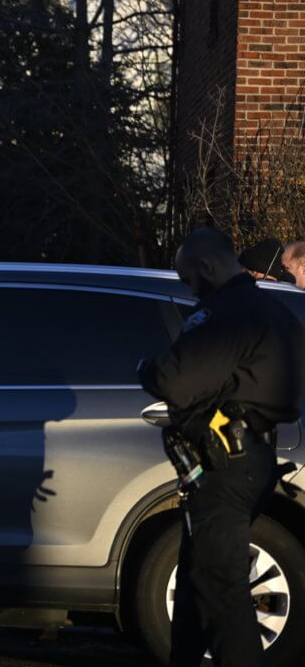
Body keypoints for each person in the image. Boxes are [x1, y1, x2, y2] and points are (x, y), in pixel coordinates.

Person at [137, 228, 305, 667]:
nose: (189, 289)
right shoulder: (278, 312)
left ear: (206, 267)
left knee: (220, 586)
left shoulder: (227, 313)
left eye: (188, 278)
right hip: (254, 458)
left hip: (224, 464)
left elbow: (172, 379)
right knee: (198, 580)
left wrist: (147, 370)